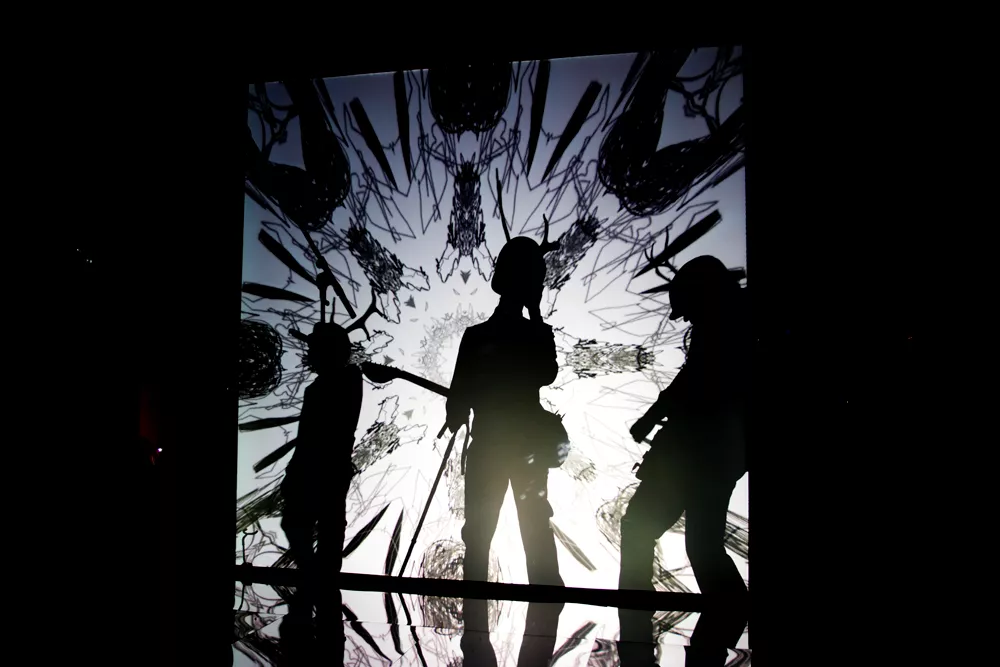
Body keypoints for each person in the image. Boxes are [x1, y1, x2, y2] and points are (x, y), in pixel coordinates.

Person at [619, 255, 751, 667]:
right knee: (701, 544)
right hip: (716, 454)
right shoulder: (734, 324)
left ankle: (636, 610)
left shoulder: (721, 331)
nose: (684, 319)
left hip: (693, 452)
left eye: (686, 308)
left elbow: (692, 381)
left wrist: (650, 416)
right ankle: (729, 613)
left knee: (642, 526)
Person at [446, 236, 566, 666]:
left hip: (494, 445)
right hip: (522, 445)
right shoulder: (528, 333)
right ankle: (546, 593)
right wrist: (537, 317)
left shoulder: (478, 336)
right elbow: (546, 373)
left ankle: (481, 606)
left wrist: (459, 411)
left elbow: (457, 402)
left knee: (484, 531)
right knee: (530, 523)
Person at [279, 313, 365, 663]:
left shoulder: (336, 384)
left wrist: (295, 472)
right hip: (323, 471)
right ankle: (321, 599)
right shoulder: (337, 383)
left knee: (314, 532)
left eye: (314, 348)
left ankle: (317, 591)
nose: (309, 355)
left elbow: (312, 437)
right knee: (322, 534)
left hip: (319, 471)